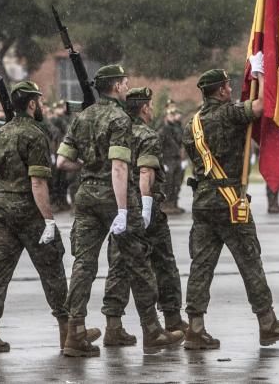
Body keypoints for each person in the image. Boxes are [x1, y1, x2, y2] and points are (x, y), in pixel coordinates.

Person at [56, 64, 183, 358]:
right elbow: (119, 166)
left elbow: (62, 161)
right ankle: (152, 330)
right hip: (114, 198)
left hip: (85, 194)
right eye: (124, 82)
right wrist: (123, 209)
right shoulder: (119, 119)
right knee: (138, 263)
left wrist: (89, 166)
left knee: (83, 265)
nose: (127, 86)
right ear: (115, 87)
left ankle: (74, 333)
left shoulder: (83, 116)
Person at [181, 59, 279, 350]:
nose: (231, 89)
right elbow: (259, 107)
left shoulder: (191, 125)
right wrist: (259, 73)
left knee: (201, 266)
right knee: (250, 261)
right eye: (227, 86)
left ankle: (195, 328)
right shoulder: (229, 113)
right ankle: (267, 323)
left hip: (203, 201)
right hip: (230, 201)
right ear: (220, 91)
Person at [0, 81, 73, 353]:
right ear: (32, 104)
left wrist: (8, 191)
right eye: (39, 100)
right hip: (30, 211)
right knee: (52, 268)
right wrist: (49, 219)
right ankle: (68, 333)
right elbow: (38, 183)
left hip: (2, 209)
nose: (41, 105)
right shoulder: (35, 135)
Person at [102, 87, 187, 344]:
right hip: (145, 207)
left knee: (119, 266)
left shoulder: (116, 132)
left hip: (122, 208)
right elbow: (146, 174)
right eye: (149, 105)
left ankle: (113, 325)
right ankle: (169, 319)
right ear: (144, 108)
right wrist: (148, 206)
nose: (152, 109)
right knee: (163, 263)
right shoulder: (147, 134)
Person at [158, 106, 187, 214]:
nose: (174, 117)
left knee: (177, 182)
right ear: (165, 117)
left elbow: (181, 144)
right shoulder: (163, 130)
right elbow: (159, 147)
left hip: (176, 159)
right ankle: (166, 204)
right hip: (167, 160)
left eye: (174, 115)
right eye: (171, 115)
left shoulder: (176, 129)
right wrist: (162, 163)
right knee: (168, 183)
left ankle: (174, 204)